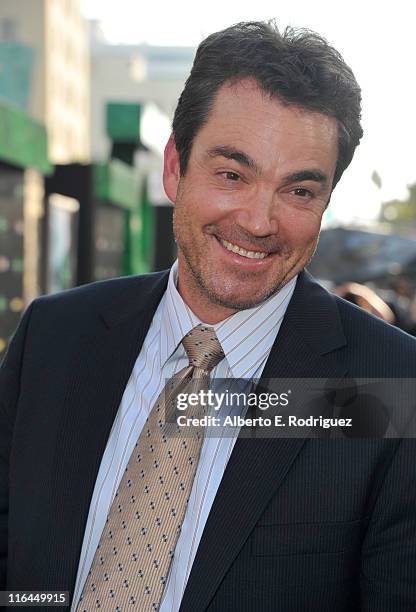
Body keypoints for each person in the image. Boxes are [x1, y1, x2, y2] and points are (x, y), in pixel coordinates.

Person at [1, 20, 416, 612]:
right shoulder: (54, 336)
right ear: (175, 167)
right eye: (232, 175)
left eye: (299, 191)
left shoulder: (389, 387)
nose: (257, 221)